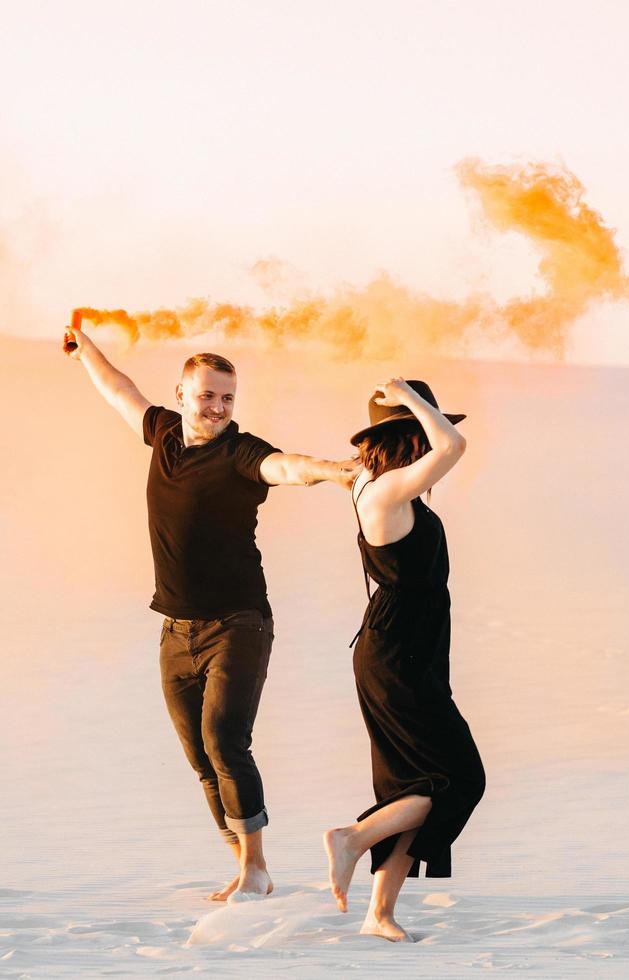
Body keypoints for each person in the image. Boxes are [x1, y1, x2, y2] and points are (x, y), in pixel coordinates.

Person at [65, 326, 356, 903]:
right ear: (181, 395)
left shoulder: (239, 452)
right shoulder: (164, 433)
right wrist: (85, 350)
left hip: (238, 622)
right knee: (201, 760)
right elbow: (119, 389)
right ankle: (247, 864)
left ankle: (255, 870)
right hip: (175, 629)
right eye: (207, 396)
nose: (218, 407)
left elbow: (285, 466)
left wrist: (332, 469)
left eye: (227, 397)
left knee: (224, 740)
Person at [323, 377, 485, 941]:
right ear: (409, 434)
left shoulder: (374, 483)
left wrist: (412, 408)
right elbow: (453, 448)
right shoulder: (387, 492)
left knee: (410, 785)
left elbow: (442, 447)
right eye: (423, 430)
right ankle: (352, 838)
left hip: (402, 649)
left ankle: (379, 914)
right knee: (461, 779)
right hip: (399, 655)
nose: (432, 440)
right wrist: (413, 402)